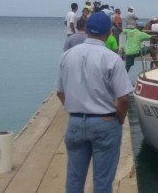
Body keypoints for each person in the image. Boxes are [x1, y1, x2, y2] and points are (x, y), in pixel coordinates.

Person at [57, 12, 133, 193]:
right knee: (103, 181)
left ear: (86, 29)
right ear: (109, 32)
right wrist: (119, 119)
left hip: (75, 121)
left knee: (74, 179)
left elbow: (60, 92)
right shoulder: (111, 58)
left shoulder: (67, 56)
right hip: (105, 122)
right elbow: (123, 98)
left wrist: (74, 109)